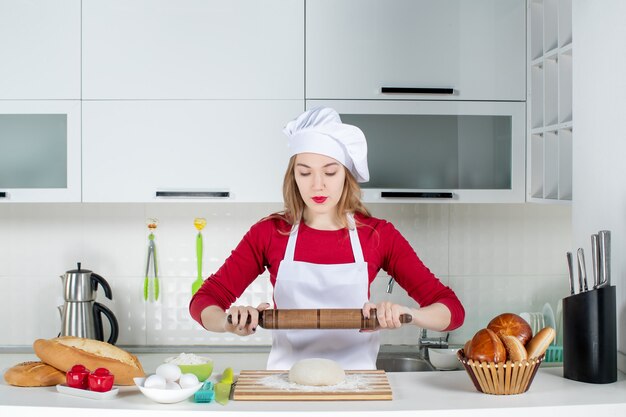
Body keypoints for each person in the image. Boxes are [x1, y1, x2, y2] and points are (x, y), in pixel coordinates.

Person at [189, 107, 464, 370]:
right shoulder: (270, 233)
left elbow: (451, 310)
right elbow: (204, 300)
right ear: (293, 176)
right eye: (305, 172)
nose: (317, 184)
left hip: (358, 388)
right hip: (285, 387)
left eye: (330, 172)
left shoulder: (378, 236)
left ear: (346, 174)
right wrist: (228, 321)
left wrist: (407, 314)